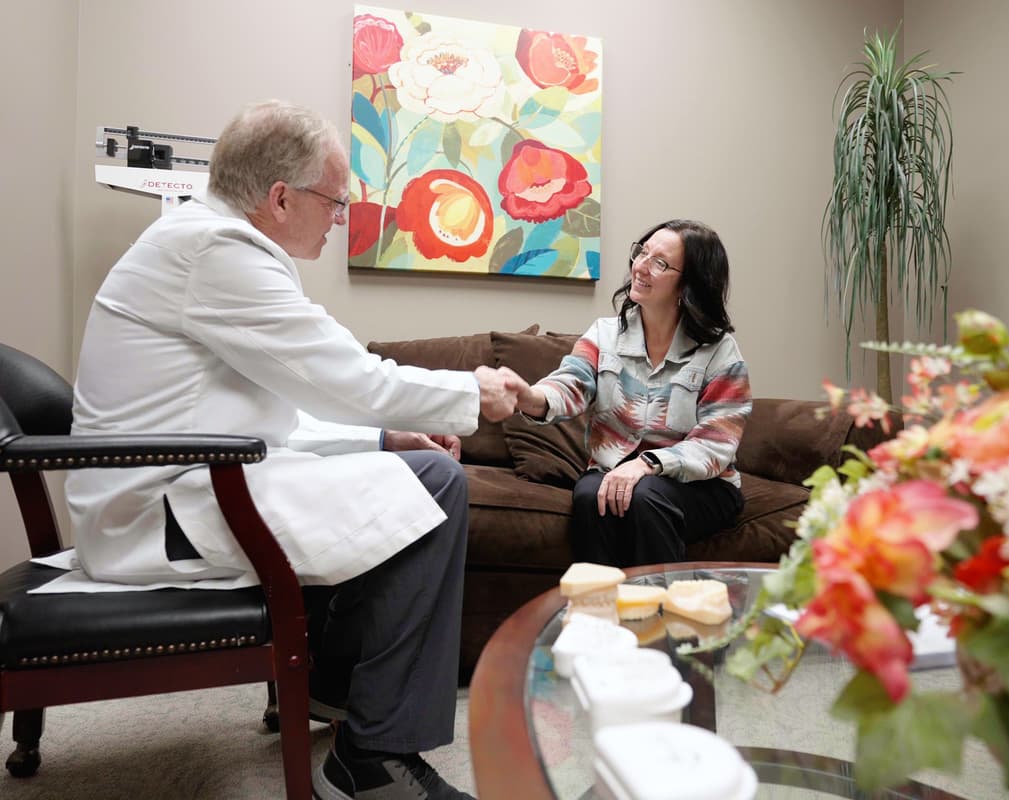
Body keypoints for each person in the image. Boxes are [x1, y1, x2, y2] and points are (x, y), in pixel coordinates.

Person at [65, 100, 520, 800]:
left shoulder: (200, 240)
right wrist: (473, 390)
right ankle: (372, 759)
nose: (339, 218)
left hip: (178, 487)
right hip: (163, 513)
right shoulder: (217, 251)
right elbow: (343, 376)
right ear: (281, 198)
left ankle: (334, 691)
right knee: (433, 481)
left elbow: (259, 418)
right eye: (335, 201)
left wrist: (382, 438)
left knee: (402, 467)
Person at [513, 220, 752, 567]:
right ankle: (598, 599)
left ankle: (661, 600)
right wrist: (529, 397)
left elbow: (716, 443)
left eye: (660, 262)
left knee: (644, 497)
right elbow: (572, 382)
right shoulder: (604, 335)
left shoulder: (719, 351)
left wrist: (646, 464)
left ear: (689, 283)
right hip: (614, 468)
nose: (640, 266)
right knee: (590, 495)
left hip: (700, 483)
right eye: (642, 252)